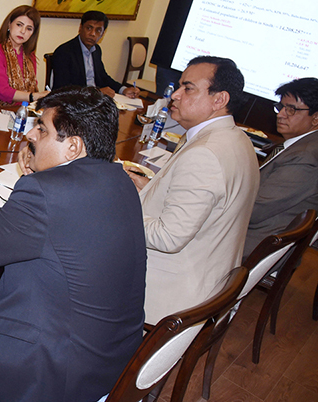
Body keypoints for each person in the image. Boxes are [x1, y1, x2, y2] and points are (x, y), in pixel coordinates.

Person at [0, 87, 146, 402]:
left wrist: (32, 181)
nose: (31, 133)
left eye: (42, 129)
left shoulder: (44, 193)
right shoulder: (121, 181)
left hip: (57, 366)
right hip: (112, 354)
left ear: (73, 147)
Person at [126, 56, 259, 324]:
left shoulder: (205, 154)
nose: (175, 94)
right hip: (208, 274)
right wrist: (149, 188)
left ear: (219, 99)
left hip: (168, 293)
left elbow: (168, 238)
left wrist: (119, 206)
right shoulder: (237, 138)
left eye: (188, 88)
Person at [243, 77, 318, 258]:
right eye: (281, 107)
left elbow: (253, 211)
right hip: (252, 232)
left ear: (315, 118)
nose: (280, 114)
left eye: (291, 109)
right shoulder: (301, 145)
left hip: (254, 244)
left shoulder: (305, 157)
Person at [51, 10, 140, 98]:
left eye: (98, 30)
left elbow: (103, 77)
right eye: (89, 28)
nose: (92, 34)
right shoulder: (64, 52)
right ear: (80, 28)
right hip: (75, 102)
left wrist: (123, 89)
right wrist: (96, 92)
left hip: (95, 100)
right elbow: (62, 89)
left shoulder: (96, 50)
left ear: (102, 34)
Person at [0, 5, 48, 106]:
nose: (23, 31)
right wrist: (33, 96)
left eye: (29, 28)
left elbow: (33, 85)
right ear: (9, 25)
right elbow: (2, 92)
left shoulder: (29, 54)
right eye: (19, 25)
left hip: (23, 110)